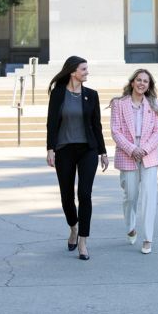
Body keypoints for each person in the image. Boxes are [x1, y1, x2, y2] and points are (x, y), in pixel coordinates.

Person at [46, 56, 109, 261]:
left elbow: (96, 125)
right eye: (84, 69)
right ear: (73, 71)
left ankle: (83, 239)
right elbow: (52, 123)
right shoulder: (58, 93)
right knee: (66, 195)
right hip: (64, 150)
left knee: (85, 194)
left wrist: (103, 152)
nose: (87, 72)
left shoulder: (91, 95)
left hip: (87, 150)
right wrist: (50, 148)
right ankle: (73, 227)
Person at [108, 69, 158, 255]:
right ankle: (130, 227)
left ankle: (148, 238)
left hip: (149, 153)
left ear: (149, 86)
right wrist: (133, 149)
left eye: (145, 81)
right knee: (130, 195)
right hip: (127, 152)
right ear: (132, 83)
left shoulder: (154, 104)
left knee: (149, 196)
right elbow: (116, 131)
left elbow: (157, 131)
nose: (141, 83)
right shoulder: (119, 104)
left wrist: (145, 149)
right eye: (138, 80)